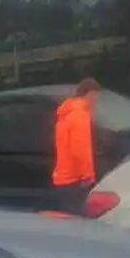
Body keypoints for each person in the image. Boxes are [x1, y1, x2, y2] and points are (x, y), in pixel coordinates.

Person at [51, 78, 100, 214]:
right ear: (89, 94)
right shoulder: (80, 115)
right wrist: (87, 176)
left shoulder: (66, 114)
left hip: (62, 177)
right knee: (77, 224)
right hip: (74, 179)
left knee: (68, 222)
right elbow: (80, 149)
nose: (95, 102)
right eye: (95, 97)